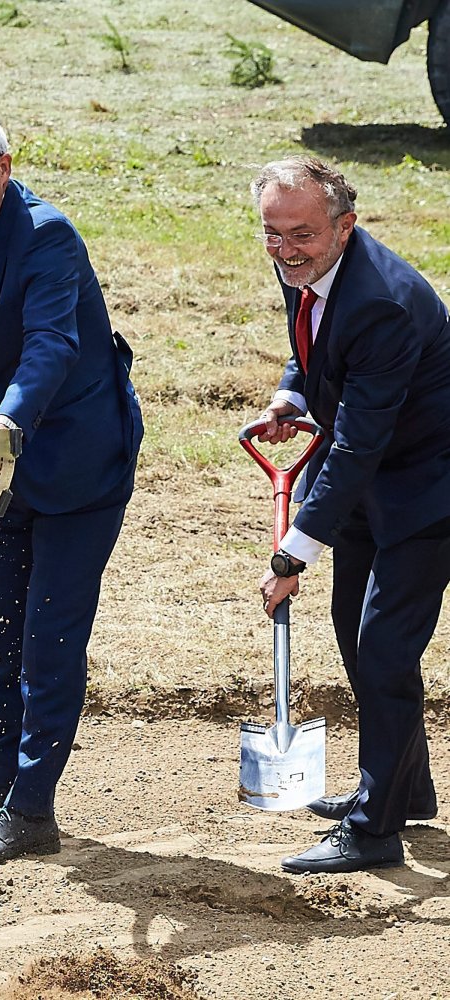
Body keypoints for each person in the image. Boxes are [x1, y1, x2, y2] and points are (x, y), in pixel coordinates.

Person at [0, 105, 143, 866]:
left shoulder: (48, 237)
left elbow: (50, 345)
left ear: (2, 171)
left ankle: (33, 812)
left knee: (48, 641)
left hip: (79, 462)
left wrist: (4, 423)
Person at [251, 156, 447, 874]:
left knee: (385, 651)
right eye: (272, 233)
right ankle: (405, 788)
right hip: (370, 483)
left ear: (345, 225)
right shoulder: (300, 264)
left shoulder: (384, 302)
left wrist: (291, 554)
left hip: (429, 490)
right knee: (353, 635)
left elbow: (360, 442)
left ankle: (374, 829)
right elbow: (311, 344)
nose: (285, 249)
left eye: (300, 233)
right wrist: (291, 396)